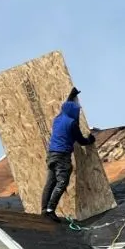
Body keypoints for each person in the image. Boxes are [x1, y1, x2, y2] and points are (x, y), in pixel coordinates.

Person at [41, 87, 96, 221]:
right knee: (62, 182)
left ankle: (43, 209)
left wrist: (71, 96)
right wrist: (90, 139)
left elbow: (66, 107)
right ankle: (50, 210)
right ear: (74, 112)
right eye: (77, 110)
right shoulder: (72, 124)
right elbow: (81, 141)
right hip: (62, 156)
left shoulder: (58, 119)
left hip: (52, 154)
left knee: (50, 182)